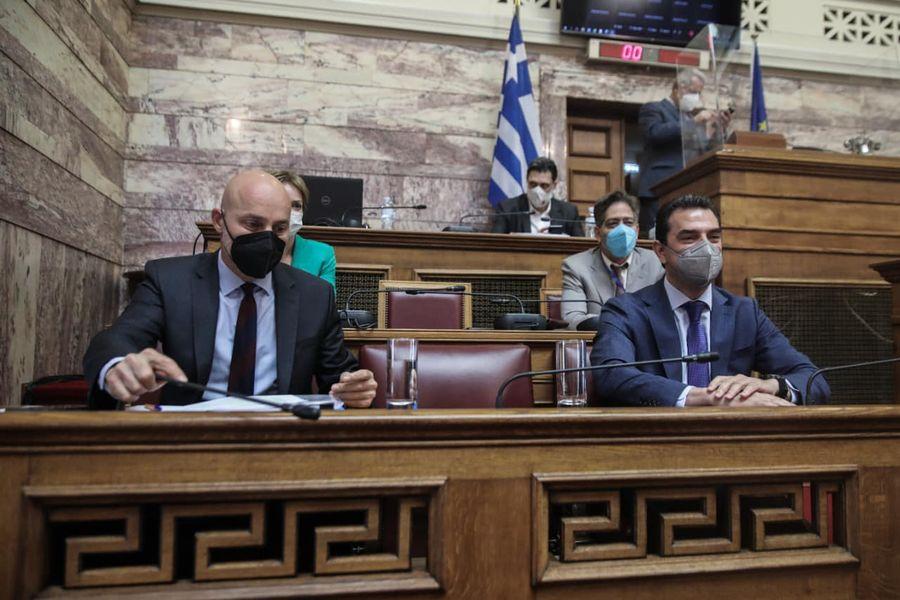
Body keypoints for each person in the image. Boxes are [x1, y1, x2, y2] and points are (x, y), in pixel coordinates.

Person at [83, 170, 377, 409]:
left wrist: (354, 387)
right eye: (253, 224)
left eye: (279, 229)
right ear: (218, 221)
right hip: (192, 437)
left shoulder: (315, 295)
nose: (267, 239)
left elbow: (339, 376)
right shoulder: (171, 280)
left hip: (282, 439)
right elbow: (118, 338)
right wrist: (118, 365)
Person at [591, 194, 830, 407]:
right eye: (689, 237)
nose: (706, 247)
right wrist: (706, 398)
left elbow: (813, 379)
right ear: (661, 251)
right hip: (658, 436)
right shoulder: (625, 310)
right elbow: (612, 375)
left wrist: (773, 386)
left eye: (714, 237)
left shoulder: (745, 312)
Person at [636, 70, 729, 237]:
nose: (696, 97)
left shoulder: (689, 118)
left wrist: (718, 129)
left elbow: (704, 151)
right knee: (655, 237)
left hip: (688, 188)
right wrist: (693, 121)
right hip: (658, 188)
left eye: (699, 93)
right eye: (693, 92)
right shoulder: (654, 108)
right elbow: (654, 133)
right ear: (678, 89)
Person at [561, 191, 664, 329]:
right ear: (598, 233)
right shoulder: (576, 266)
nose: (622, 230)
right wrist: (622, 323)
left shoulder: (656, 262)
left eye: (628, 223)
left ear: (637, 231)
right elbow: (573, 320)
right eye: (613, 224)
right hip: (600, 341)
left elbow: (665, 314)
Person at [269, 170, 337, 288]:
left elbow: (325, 298)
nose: (290, 211)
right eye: (282, 203)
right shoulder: (251, 248)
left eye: (296, 206)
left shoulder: (322, 254)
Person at [491, 157, 584, 236]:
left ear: (554, 185)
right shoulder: (507, 209)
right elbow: (495, 244)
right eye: (533, 184)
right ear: (527, 181)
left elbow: (581, 248)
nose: (537, 190)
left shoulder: (569, 212)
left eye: (544, 185)